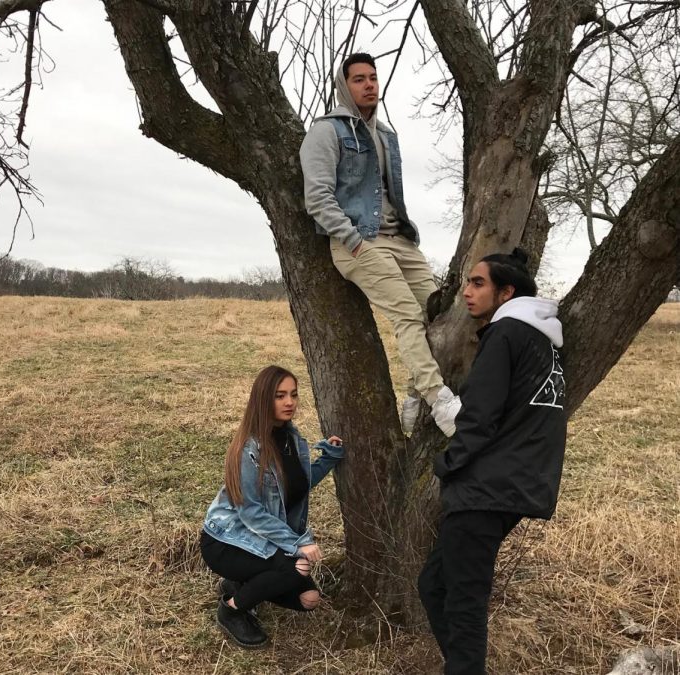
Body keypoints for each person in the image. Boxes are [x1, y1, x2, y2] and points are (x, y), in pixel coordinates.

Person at [418, 248, 567, 675]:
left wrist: (448, 465)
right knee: (433, 585)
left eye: (478, 283)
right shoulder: (543, 339)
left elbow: (479, 417)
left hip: (486, 488)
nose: (466, 292)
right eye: (467, 282)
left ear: (506, 292)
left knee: (464, 604)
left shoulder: (505, 335)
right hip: (517, 484)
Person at [299, 51, 461, 437]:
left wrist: (409, 233)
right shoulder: (327, 131)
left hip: (399, 240)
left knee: (442, 313)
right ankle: (439, 399)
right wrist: (353, 242)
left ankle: (414, 393)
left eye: (373, 77)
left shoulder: (387, 134)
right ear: (344, 86)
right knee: (407, 312)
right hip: (359, 242)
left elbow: (390, 192)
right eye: (359, 79)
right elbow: (318, 198)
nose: (370, 84)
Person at [200, 365, 345, 648]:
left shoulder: (291, 439)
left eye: (293, 394)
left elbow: (295, 485)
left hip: (259, 538)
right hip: (227, 540)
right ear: (264, 399)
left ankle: (240, 583)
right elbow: (250, 511)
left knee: (309, 600)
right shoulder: (248, 448)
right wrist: (296, 543)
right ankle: (231, 610)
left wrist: (328, 458)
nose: (289, 402)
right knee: (295, 568)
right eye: (280, 396)